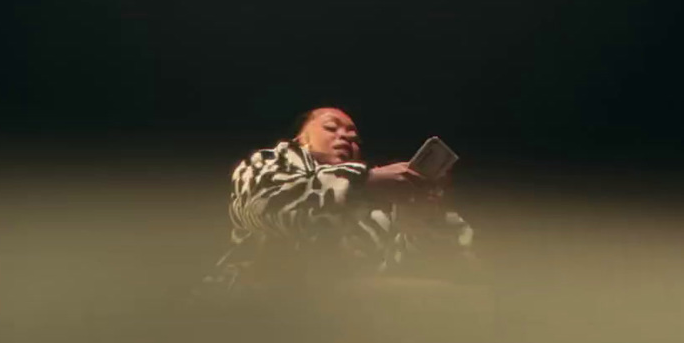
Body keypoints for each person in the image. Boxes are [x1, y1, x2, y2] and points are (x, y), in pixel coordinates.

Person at [201, 107, 477, 298]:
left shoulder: (380, 204)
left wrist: (421, 220)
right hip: (255, 301)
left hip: (349, 318)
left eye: (354, 137)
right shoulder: (268, 163)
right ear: (301, 139)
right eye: (331, 128)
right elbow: (270, 206)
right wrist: (363, 182)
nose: (346, 136)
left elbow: (424, 263)